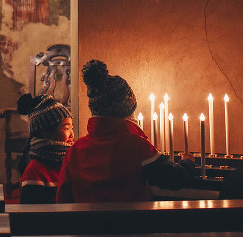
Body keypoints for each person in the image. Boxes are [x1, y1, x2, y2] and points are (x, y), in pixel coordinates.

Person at [57, 59, 196, 203]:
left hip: (84, 217)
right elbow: (174, 178)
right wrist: (188, 163)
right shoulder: (136, 146)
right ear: (128, 110)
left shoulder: (76, 150)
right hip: (130, 217)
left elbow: (63, 196)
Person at [16, 94, 73, 204]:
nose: (72, 134)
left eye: (72, 128)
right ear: (47, 132)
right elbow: (33, 212)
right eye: (66, 128)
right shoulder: (34, 171)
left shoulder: (71, 161)